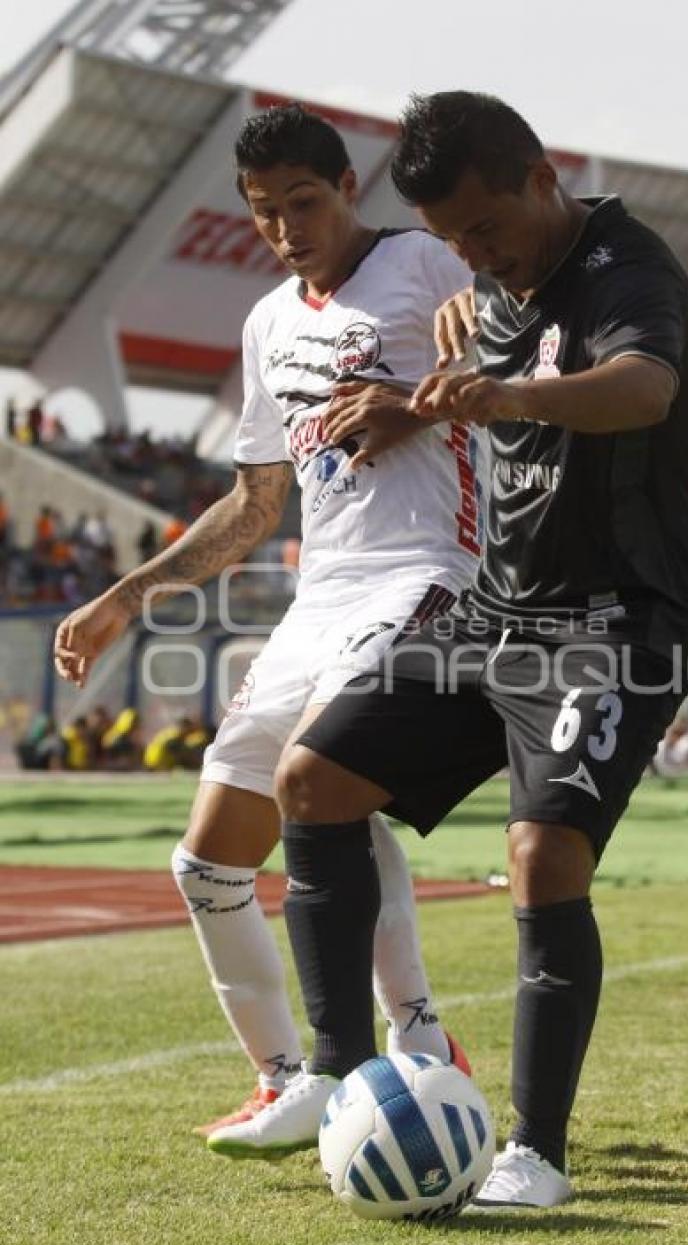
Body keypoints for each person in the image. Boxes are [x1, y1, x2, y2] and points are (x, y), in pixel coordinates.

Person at [265, 91, 688, 1208]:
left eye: (485, 230)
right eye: (455, 242)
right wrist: (444, 365)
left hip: (613, 620)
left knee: (541, 855)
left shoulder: (628, 269)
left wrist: (506, 392)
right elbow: (474, 358)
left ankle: (535, 1153)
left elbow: (643, 389)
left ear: (541, 178)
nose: (476, 256)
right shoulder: (489, 287)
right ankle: (338, 1077)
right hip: (492, 615)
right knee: (311, 781)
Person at [53, 105, 483, 1153]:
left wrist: (459, 360)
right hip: (320, 591)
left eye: (303, 202)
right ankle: (283, 1078)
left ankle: (411, 1038)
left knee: (326, 777)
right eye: (263, 213)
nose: (287, 228)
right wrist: (128, 593)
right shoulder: (265, 324)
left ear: (345, 185)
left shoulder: (427, 262)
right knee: (206, 863)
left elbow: (521, 351)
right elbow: (254, 504)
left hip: (427, 569)